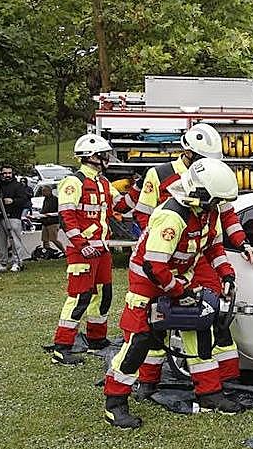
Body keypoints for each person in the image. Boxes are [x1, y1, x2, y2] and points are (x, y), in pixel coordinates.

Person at [103, 158, 244, 428]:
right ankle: (115, 402)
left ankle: (209, 394)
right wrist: (180, 291)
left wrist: (226, 273)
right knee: (139, 342)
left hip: (179, 280)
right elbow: (154, 265)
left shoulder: (207, 212)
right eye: (215, 201)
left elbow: (212, 248)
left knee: (200, 334)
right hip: (147, 285)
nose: (218, 206)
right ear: (199, 194)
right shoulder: (172, 216)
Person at [134, 122, 253, 386]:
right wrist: (165, 246)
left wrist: (243, 244)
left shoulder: (214, 179)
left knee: (212, 311)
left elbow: (226, 218)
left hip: (197, 256)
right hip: (162, 256)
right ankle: (148, 381)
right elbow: (144, 216)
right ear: (189, 153)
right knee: (155, 320)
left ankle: (224, 378)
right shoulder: (160, 175)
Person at [48, 136, 136, 366]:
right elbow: (66, 217)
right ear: (91, 156)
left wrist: (138, 188)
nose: (107, 158)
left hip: (101, 250)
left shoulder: (103, 182)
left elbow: (121, 206)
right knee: (80, 297)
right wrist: (82, 245)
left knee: (104, 295)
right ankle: (62, 347)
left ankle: (96, 340)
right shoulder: (73, 182)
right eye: (103, 154)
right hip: (82, 251)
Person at [0, 166, 31, 272]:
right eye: (5, 173)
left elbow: (24, 200)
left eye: (9, 173)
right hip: (0, 216)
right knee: (0, 242)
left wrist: (13, 201)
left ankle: (17, 262)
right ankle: (2, 262)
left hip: (13, 216)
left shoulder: (18, 186)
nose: (7, 175)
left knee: (15, 241)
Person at [38, 184, 65, 256]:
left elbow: (58, 211)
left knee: (53, 239)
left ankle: (64, 251)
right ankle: (47, 252)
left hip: (53, 222)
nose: (43, 192)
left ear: (49, 191)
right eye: (42, 191)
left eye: (44, 191)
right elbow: (44, 210)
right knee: (45, 240)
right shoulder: (45, 200)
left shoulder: (55, 199)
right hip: (45, 222)